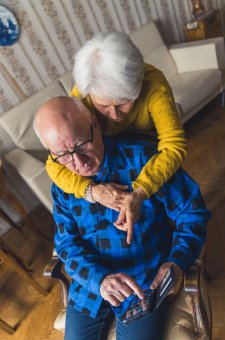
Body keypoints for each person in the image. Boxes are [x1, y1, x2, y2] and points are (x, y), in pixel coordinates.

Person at [34, 97, 210, 340]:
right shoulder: (63, 183)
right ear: (50, 153)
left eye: (82, 145)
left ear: (95, 124)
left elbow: (193, 214)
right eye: (63, 155)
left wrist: (176, 262)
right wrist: (98, 280)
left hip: (144, 281)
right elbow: (66, 244)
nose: (78, 163)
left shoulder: (144, 159)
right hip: (91, 284)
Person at [45, 31, 187, 244]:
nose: (114, 114)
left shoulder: (153, 83)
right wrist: (90, 191)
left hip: (148, 157)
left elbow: (173, 147)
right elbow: (53, 163)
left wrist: (140, 192)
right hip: (109, 160)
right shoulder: (82, 94)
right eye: (103, 106)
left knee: (168, 209)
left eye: (124, 102)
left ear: (138, 84)